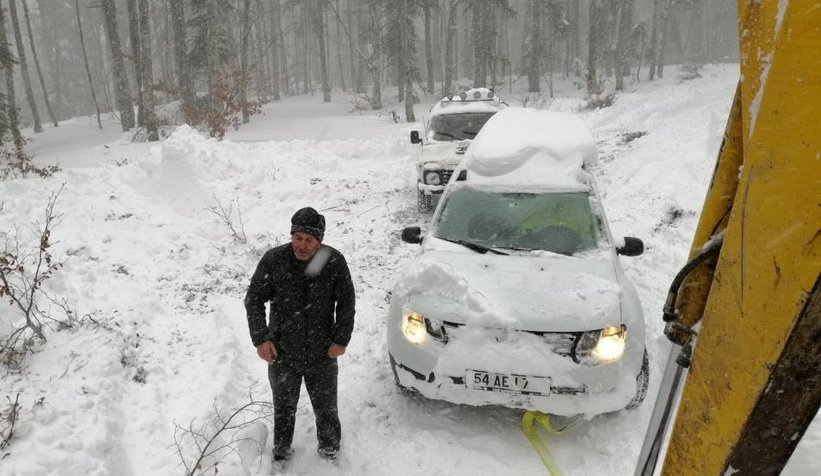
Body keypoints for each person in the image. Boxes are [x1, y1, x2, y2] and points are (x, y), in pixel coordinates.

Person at [244, 206, 356, 466]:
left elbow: (346, 302)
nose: (302, 246)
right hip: (283, 351)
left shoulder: (333, 261)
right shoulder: (275, 260)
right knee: (283, 407)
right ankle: (281, 452)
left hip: (322, 350)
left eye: (309, 240)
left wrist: (341, 339)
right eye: (298, 238)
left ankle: (329, 449)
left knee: (326, 406)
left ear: (320, 241)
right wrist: (261, 339)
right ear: (291, 236)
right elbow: (254, 299)